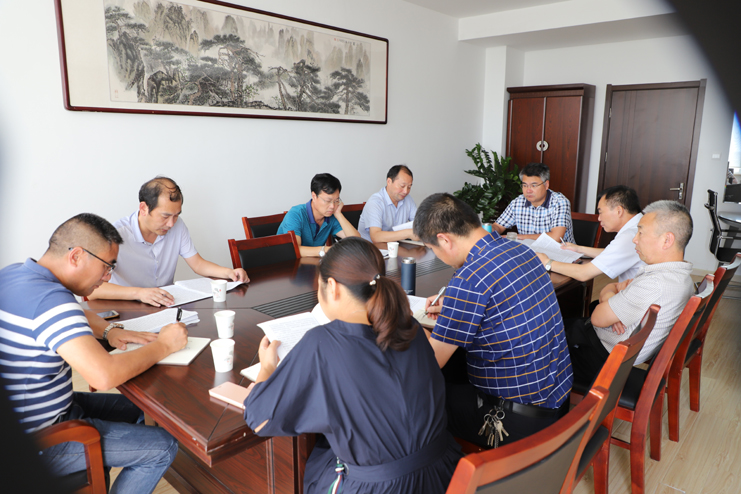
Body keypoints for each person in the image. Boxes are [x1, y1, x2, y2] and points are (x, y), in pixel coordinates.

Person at [243, 237, 462, 493]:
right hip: (444, 475)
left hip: (379, 487)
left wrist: (267, 367)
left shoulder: (321, 343)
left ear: (332, 287)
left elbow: (260, 419)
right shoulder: (409, 326)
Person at [0, 213, 189, 494]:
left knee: (145, 408)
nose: (107, 277)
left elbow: (77, 311)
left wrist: (109, 331)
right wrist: (164, 345)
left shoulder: (14, 274)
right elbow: (103, 376)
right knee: (164, 446)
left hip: (32, 417)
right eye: (106, 266)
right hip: (39, 441)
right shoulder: (53, 302)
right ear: (76, 256)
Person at [414, 193, 573, 449]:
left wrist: (411, 325)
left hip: (516, 420)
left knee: (417, 403)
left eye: (432, 249)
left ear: (444, 239)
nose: (437, 254)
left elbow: (429, 363)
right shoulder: (522, 250)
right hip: (557, 397)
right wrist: (454, 305)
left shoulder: (469, 279)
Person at [565, 200, 695, 386]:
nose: (635, 239)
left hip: (602, 359)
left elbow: (598, 318)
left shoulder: (654, 284)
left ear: (667, 240)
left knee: (542, 339)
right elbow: (610, 292)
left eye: (641, 232)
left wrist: (611, 296)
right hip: (615, 350)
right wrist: (613, 299)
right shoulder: (680, 277)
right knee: (568, 323)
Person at [88, 176, 249, 307]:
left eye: (176, 215)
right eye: (165, 216)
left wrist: (229, 273)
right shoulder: (114, 235)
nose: (171, 224)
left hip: (166, 305)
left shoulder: (178, 226)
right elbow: (92, 290)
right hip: (126, 308)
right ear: (144, 208)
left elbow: (198, 264)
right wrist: (140, 293)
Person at [536, 185, 645, 282]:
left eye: (601, 212)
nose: (599, 218)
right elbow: (612, 252)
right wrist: (579, 249)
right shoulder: (639, 227)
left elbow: (583, 273)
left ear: (618, 211)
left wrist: (547, 262)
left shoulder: (629, 237)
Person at [277, 173, 361, 257]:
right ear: (314, 196)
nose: (332, 206)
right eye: (328, 201)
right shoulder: (296, 214)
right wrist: (328, 250)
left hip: (313, 262)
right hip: (287, 262)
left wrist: (338, 214)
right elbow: (295, 249)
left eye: (336, 201)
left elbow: (357, 242)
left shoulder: (331, 216)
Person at [492, 162, 575, 243]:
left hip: (558, 251)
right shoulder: (517, 203)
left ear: (546, 185)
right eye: (525, 185)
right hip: (529, 250)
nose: (528, 190)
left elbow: (556, 237)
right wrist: (491, 230)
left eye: (534, 185)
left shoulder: (560, 202)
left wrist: (519, 237)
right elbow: (498, 226)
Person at [357, 164, 417, 243]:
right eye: (402, 186)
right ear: (389, 181)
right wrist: (407, 233)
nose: (406, 191)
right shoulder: (375, 202)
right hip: (370, 248)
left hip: (394, 247)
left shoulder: (408, 199)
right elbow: (376, 236)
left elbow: (419, 223)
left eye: (409, 187)